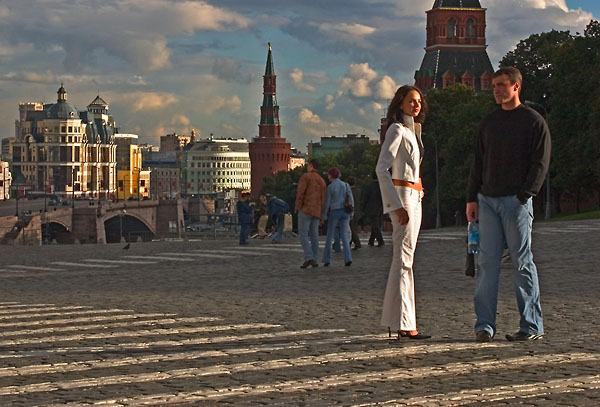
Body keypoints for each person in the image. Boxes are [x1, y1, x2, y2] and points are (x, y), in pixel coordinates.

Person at [466, 67, 551, 343]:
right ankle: (484, 326)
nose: (497, 90)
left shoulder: (533, 121)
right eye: (494, 85)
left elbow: (540, 162)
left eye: (502, 85)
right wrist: (471, 198)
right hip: (487, 201)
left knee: (522, 263)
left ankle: (531, 325)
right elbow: (477, 162)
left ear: (516, 87)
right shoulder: (488, 123)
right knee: (486, 265)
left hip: (516, 201)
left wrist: (525, 195)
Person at [376, 85, 430, 340]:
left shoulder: (413, 131)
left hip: (414, 196)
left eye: (418, 101)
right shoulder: (397, 130)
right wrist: (395, 205)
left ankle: (399, 321)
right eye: (411, 100)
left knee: (405, 261)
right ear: (400, 103)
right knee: (404, 261)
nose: (416, 104)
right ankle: (404, 323)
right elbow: (381, 168)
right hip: (404, 198)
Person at [295, 158, 327, 269]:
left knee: (303, 234)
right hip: (317, 211)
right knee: (314, 236)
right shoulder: (322, 181)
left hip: (306, 209)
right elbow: (324, 199)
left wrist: (297, 207)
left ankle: (309, 257)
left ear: (311, 165)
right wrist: (322, 213)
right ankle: (314, 258)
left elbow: (300, 193)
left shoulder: (306, 177)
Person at [321, 168, 353, 267]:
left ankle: (327, 259)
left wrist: (324, 215)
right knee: (344, 235)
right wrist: (352, 213)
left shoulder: (330, 187)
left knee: (330, 235)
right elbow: (351, 199)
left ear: (330, 176)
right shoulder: (346, 185)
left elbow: (327, 203)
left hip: (334, 211)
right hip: (345, 211)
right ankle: (348, 258)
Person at [361, 171, 385, 247]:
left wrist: (363, 207)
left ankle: (380, 240)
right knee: (376, 223)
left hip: (371, 207)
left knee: (375, 224)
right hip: (380, 207)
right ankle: (371, 240)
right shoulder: (381, 186)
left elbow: (365, 198)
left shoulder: (369, 186)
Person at [347, 176, 362, 250]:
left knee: (351, 229)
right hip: (358, 211)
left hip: (351, 211)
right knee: (353, 228)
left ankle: (357, 243)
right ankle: (350, 243)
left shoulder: (349, 191)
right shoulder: (358, 190)